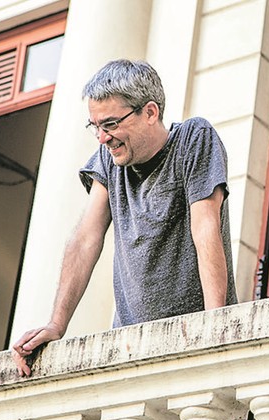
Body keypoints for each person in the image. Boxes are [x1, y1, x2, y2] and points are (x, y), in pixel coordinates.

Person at [12, 59, 238, 377]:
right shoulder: (108, 160)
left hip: (195, 342)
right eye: (95, 127)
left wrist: (215, 325)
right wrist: (56, 324)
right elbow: (86, 238)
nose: (103, 138)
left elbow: (204, 226)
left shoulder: (194, 138)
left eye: (111, 124)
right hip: (131, 350)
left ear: (150, 112)